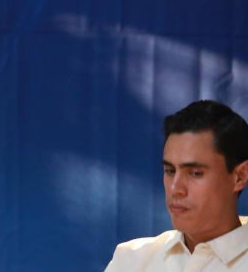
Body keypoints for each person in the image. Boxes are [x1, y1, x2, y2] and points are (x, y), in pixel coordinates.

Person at [105, 100, 248, 271]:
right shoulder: (132, 260)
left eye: (195, 173)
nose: (175, 188)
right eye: (170, 171)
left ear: (240, 177)